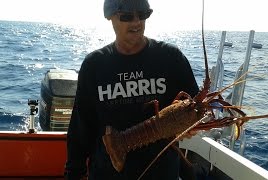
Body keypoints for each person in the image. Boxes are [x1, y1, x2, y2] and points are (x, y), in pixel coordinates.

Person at [64, 0, 199, 179]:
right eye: (127, 16)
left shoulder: (171, 58)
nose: (136, 22)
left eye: (143, 14)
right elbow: (81, 128)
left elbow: (195, 105)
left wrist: (192, 125)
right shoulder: (94, 65)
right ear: (109, 17)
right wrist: (74, 173)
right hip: (108, 173)